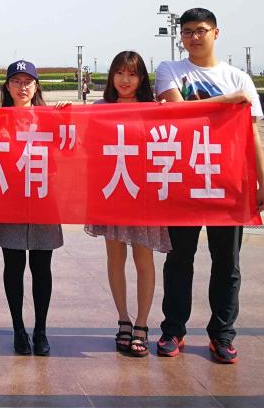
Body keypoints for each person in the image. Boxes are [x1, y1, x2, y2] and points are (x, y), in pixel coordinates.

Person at [154, 8, 264, 364]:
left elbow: (252, 135)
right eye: (187, 31)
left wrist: (263, 183)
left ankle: (222, 334)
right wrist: (228, 101)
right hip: (183, 180)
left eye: (200, 30)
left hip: (227, 183)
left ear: (216, 33)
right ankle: (173, 329)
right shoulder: (170, 70)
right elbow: (179, 113)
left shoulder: (239, 78)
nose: (193, 37)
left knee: (227, 263)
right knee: (179, 259)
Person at [84, 51, 170, 357]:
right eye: (119, 73)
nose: (125, 80)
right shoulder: (99, 108)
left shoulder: (153, 109)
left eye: (132, 74)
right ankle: (123, 319)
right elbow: (85, 145)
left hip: (143, 195)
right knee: (115, 258)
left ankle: (142, 325)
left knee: (143, 260)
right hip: (112, 192)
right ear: (111, 76)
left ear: (141, 78)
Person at [0, 60, 65, 357]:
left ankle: (40, 330)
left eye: (28, 81)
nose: (22, 87)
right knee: (14, 265)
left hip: (43, 198)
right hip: (9, 197)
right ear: (7, 87)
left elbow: (70, 147)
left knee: (42, 266)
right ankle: (18, 329)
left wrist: (68, 119)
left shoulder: (50, 118)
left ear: (36, 86)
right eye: (16, 81)